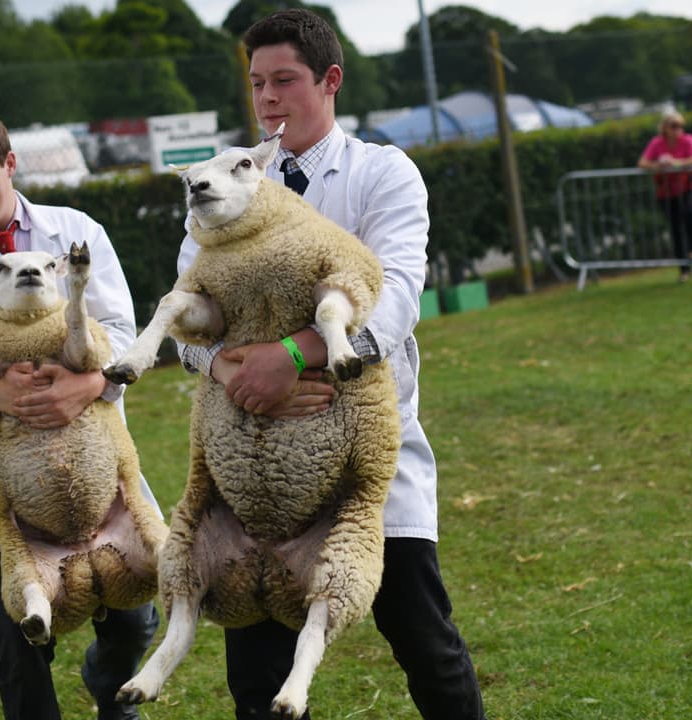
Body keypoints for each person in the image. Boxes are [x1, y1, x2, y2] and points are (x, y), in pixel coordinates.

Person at [174, 11, 485, 719]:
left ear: (330, 80)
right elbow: (188, 314)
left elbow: (398, 297)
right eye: (257, 83)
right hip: (255, 461)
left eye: (285, 80)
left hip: (364, 460)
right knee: (257, 683)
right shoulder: (227, 180)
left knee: (425, 644)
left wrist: (291, 356)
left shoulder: (382, 173)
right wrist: (234, 375)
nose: (268, 99)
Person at [0, 111, 159, 720]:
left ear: (10, 164)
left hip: (91, 448)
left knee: (134, 617)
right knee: (19, 635)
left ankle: (108, 685)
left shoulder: (75, 230)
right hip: (1, 468)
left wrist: (89, 383)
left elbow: (120, 326)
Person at [638, 110, 692, 282]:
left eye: (680, 125)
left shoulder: (688, 140)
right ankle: (684, 270)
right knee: (676, 229)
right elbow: (643, 163)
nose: (678, 129)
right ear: (665, 128)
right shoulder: (657, 143)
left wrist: (676, 163)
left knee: (689, 214)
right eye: (674, 126)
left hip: (687, 188)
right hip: (666, 192)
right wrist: (658, 165)